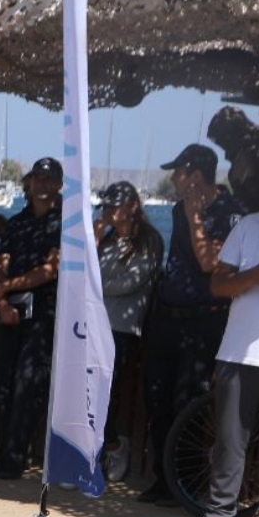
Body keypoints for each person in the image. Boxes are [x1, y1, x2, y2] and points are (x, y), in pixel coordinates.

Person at [141, 143, 247, 505]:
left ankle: (183, 484)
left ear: (196, 175)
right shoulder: (175, 208)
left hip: (204, 321)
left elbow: (210, 264)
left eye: (179, 172)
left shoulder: (230, 212)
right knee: (158, 396)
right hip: (168, 316)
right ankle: (162, 480)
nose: (173, 178)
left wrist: (194, 219)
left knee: (189, 398)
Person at [178, 206, 259, 517]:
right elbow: (219, 284)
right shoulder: (248, 226)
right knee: (230, 438)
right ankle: (221, 516)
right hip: (239, 350)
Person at [0, 157, 63, 479]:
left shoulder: (65, 224)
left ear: (59, 185)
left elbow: (51, 270)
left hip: (44, 313)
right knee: (4, 383)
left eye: (49, 180)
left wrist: (7, 286)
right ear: (29, 183)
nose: (42, 185)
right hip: (12, 311)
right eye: (37, 179)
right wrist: (2, 299)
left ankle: (16, 458)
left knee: (28, 385)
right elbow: (3, 261)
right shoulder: (16, 223)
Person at [94, 181, 163, 480]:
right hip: (96, 325)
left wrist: (96, 287)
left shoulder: (149, 241)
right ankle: (94, 454)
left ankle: (113, 446)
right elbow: (85, 271)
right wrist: (94, 242)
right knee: (91, 393)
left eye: (115, 205)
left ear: (133, 206)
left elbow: (130, 283)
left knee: (108, 393)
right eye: (107, 205)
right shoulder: (106, 241)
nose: (110, 211)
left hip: (124, 329)